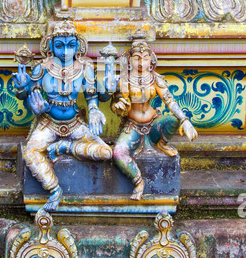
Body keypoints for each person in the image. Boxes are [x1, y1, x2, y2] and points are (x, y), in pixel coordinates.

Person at [12, 20, 112, 211]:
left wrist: (94, 110)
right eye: (59, 46)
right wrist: (29, 100)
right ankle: (54, 189)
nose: (65, 51)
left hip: (75, 124)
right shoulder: (41, 69)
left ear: (78, 46)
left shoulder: (84, 68)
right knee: (31, 152)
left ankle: (64, 147)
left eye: (70, 45)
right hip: (49, 122)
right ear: (50, 46)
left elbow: (92, 96)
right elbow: (27, 96)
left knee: (106, 152)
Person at [105, 34, 198, 201]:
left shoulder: (155, 78)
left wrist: (185, 121)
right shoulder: (124, 80)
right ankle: (138, 181)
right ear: (129, 60)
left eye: (145, 58)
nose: (141, 63)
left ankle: (161, 143)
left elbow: (170, 101)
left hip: (154, 124)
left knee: (174, 119)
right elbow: (118, 105)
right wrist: (119, 107)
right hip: (132, 126)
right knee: (118, 153)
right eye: (136, 58)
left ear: (151, 60)